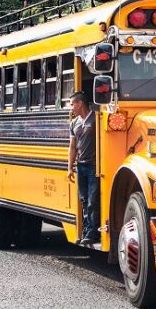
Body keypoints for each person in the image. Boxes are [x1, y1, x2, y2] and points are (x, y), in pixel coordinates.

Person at [67, 91, 100, 246]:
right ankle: (87, 231)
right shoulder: (74, 123)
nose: (71, 107)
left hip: (94, 165)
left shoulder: (96, 118)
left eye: (72, 104)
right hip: (81, 165)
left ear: (80, 103)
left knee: (93, 200)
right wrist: (70, 167)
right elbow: (72, 147)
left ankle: (92, 232)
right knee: (84, 199)